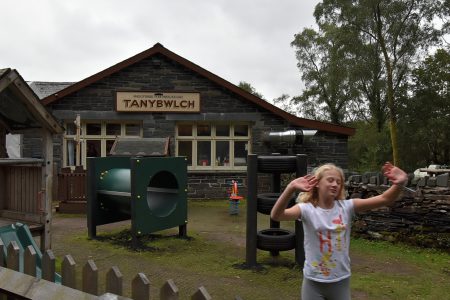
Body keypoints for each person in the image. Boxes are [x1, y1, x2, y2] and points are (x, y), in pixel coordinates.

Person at [270, 162, 408, 300]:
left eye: (338, 182)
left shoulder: (346, 207)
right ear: (317, 183)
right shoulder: (306, 209)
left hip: (340, 280)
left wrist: (399, 183)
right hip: (313, 281)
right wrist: (290, 187)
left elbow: (385, 198)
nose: (335, 184)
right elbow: (276, 215)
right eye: (330, 180)